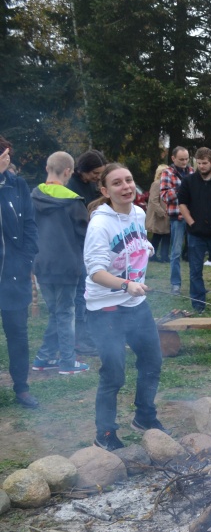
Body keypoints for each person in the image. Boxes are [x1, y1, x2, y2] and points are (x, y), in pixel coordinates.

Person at [84, 164, 166, 450]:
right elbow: (95, 272)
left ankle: (144, 416)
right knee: (114, 373)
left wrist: (146, 248)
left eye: (129, 180)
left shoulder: (138, 213)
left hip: (136, 304)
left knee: (152, 361)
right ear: (106, 191)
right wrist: (124, 284)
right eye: (117, 183)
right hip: (106, 308)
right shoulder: (100, 224)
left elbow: (134, 244)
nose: (126, 186)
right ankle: (104, 434)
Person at [31, 151, 91, 376]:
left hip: (41, 264)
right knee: (65, 312)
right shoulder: (73, 201)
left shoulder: (33, 197)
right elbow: (86, 236)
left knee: (57, 312)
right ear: (68, 172)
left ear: (47, 168)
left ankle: (44, 357)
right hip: (67, 266)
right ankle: (67, 362)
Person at [0, 136, 40, 408]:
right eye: (4, 154)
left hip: (13, 276)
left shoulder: (17, 185)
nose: (8, 158)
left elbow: (30, 226)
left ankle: (22, 388)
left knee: (17, 334)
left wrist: (26, 261)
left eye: (7, 153)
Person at [177, 147, 211, 312]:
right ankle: (198, 302)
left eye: (205, 163)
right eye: (199, 163)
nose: (201, 166)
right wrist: (192, 223)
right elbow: (182, 204)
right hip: (196, 233)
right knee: (195, 269)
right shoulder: (189, 181)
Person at [68, 149, 107, 356]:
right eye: (94, 173)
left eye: (100, 174)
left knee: (90, 292)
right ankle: (78, 339)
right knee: (80, 295)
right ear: (83, 169)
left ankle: (87, 333)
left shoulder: (92, 185)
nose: (97, 178)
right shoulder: (72, 187)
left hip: (91, 246)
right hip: (77, 247)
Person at [159, 146, 193, 294]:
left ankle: (195, 284)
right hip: (177, 217)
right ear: (173, 158)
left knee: (195, 251)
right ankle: (175, 284)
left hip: (192, 217)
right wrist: (181, 188)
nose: (184, 162)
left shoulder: (192, 172)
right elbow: (165, 196)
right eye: (181, 159)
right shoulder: (167, 173)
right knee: (176, 252)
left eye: (186, 159)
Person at [146, 164, 170, 263]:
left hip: (166, 215)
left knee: (166, 236)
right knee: (158, 236)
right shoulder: (157, 184)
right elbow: (153, 200)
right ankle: (153, 255)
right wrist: (161, 212)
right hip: (159, 216)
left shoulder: (168, 184)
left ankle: (164, 256)